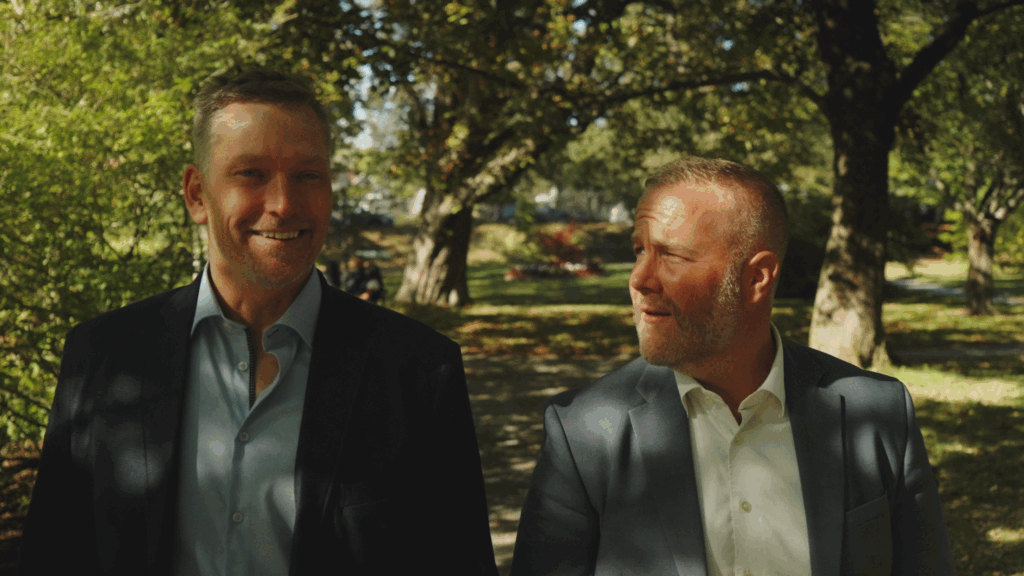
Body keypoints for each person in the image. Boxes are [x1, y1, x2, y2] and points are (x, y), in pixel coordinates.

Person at [18, 69, 498, 576]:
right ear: (197, 195)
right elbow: (54, 553)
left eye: (308, 175)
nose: (284, 203)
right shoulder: (105, 357)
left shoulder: (419, 370)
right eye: (251, 174)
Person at [511, 157, 955, 576]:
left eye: (672, 256)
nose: (640, 280)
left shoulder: (877, 414)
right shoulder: (587, 433)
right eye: (638, 250)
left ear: (757, 277)